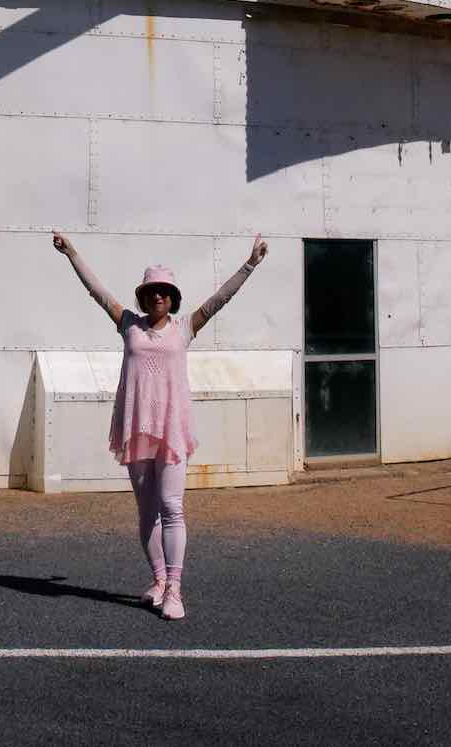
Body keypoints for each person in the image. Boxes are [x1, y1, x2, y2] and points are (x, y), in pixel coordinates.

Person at [51, 232, 269, 621]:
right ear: (143, 295)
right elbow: (97, 291)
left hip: (170, 430)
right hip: (136, 429)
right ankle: (157, 579)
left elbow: (221, 299)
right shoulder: (128, 324)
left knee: (172, 508)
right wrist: (72, 254)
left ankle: (175, 589)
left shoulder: (184, 328)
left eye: (164, 292)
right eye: (151, 291)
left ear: (172, 297)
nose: (157, 297)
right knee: (146, 510)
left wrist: (250, 263)